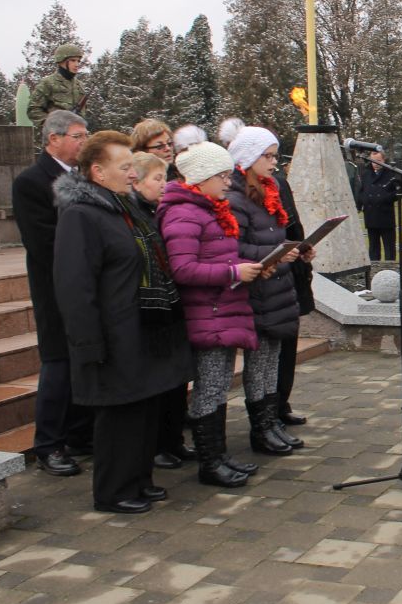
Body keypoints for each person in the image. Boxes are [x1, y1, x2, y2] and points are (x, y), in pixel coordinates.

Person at [53, 131, 194, 513]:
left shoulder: (124, 209)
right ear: (98, 172)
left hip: (141, 328)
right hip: (112, 334)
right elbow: (74, 285)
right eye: (125, 166)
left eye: (133, 166)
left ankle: (139, 480)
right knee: (119, 415)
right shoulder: (81, 215)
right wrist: (88, 342)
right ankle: (113, 491)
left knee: (142, 410)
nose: (133, 174)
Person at [157, 142, 264, 488]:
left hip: (221, 310)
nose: (228, 183)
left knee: (218, 386)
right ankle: (210, 462)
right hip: (207, 312)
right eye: (222, 176)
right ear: (202, 178)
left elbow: (217, 257)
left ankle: (219, 456)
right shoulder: (184, 214)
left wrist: (245, 266)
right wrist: (233, 273)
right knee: (209, 387)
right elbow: (183, 269)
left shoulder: (208, 209)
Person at [11, 110, 94, 477]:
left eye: (86, 135)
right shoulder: (31, 181)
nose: (84, 142)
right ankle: (48, 444)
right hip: (55, 286)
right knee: (58, 364)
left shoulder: (83, 177)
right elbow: (42, 241)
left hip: (87, 285)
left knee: (83, 359)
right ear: (54, 139)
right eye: (78, 136)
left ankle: (80, 434)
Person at [226, 127, 313, 455]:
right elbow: (235, 247)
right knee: (259, 361)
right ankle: (260, 429)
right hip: (258, 290)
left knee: (271, 359)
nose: (274, 163)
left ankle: (271, 421)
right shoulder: (236, 198)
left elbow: (272, 236)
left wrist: (296, 249)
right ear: (248, 157)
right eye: (268, 156)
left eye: (275, 155)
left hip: (277, 287)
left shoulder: (269, 190)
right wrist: (274, 254)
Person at [130, 151, 196, 470]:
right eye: (157, 178)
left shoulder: (157, 210)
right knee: (160, 385)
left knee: (176, 382)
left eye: (165, 178)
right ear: (137, 182)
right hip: (153, 308)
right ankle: (159, 446)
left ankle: (173, 441)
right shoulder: (136, 215)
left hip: (170, 306)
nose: (164, 184)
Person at [356, 150, 400, 261]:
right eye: (373, 161)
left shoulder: (390, 174)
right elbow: (361, 191)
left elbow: (398, 192)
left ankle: (390, 268)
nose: (375, 163)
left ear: (384, 160)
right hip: (371, 215)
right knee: (373, 247)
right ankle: (374, 266)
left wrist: (384, 198)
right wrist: (361, 203)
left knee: (389, 247)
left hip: (385, 214)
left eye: (378, 161)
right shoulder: (366, 174)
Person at [27, 44, 87, 124]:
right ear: (61, 61)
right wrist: (52, 123)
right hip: (54, 130)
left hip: (77, 129)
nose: (77, 64)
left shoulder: (79, 85)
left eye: (78, 61)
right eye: (73, 60)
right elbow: (33, 110)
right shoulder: (47, 83)